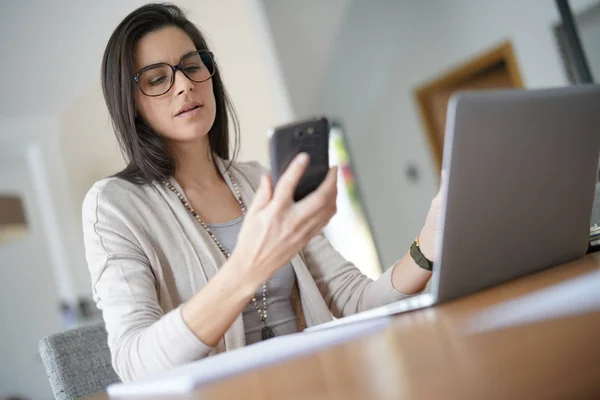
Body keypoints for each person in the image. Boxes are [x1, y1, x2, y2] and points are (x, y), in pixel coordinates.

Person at [83, 2, 442, 383]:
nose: (185, 84)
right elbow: (135, 365)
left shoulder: (258, 181)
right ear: (132, 105)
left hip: (320, 381)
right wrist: (248, 267)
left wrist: (426, 248)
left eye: (192, 66)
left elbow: (355, 301)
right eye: (157, 79)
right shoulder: (113, 206)